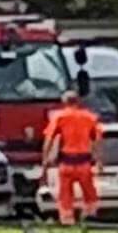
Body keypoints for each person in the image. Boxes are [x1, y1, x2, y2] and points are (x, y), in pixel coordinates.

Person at [41, 89, 104, 225]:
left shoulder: (59, 117)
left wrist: (45, 160)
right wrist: (99, 160)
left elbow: (49, 139)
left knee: (65, 194)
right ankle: (90, 216)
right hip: (84, 163)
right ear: (79, 102)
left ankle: (67, 220)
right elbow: (97, 140)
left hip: (66, 163)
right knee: (89, 192)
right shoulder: (90, 117)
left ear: (64, 102)